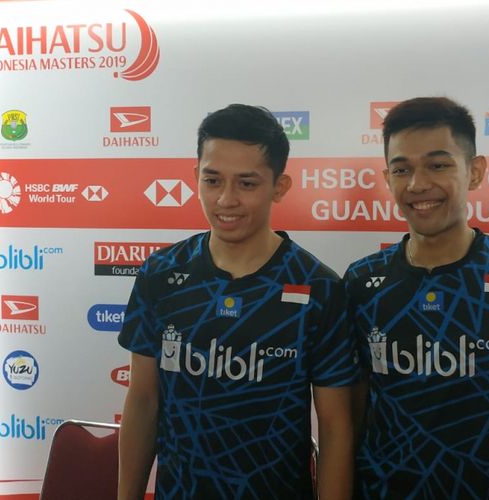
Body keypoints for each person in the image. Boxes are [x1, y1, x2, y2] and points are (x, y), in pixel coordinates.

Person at [345, 97, 489, 499]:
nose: (417, 184)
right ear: (387, 178)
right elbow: (351, 419)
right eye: (402, 169)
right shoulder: (361, 280)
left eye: (438, 165)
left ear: (475, 172)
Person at [117, 104, 358, 499]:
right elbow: (143, 399)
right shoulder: (160, 274)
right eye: (213, 180)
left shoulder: (319, 288)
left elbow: (334, 428)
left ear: (279, 186)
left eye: (247, 183)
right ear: (196, 177)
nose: (226, 199)